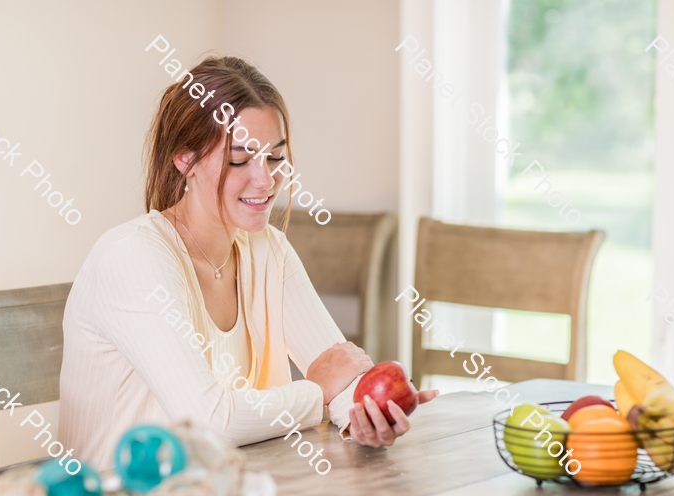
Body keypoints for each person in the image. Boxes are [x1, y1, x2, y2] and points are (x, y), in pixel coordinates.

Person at [59, 56, 437, 470]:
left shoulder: (268, 250)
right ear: (184, 159)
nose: (266, 179)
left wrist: (362, 417)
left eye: (275, 157)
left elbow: (339, 373)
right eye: (240, 158)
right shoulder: (132, 256)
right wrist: (318, 393)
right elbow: (209, 422)